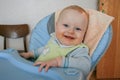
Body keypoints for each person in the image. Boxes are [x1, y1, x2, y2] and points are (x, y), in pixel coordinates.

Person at [20, 5, 91, 74]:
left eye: (78, 29)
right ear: (56, 26)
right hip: (36, 72)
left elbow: (85, 66)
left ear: (84, 33)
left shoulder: (78, 49)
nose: (71, 31)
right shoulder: (54, 39)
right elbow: (45, 50)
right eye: (66, 25)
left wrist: (59, 62)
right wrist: (30, 54)